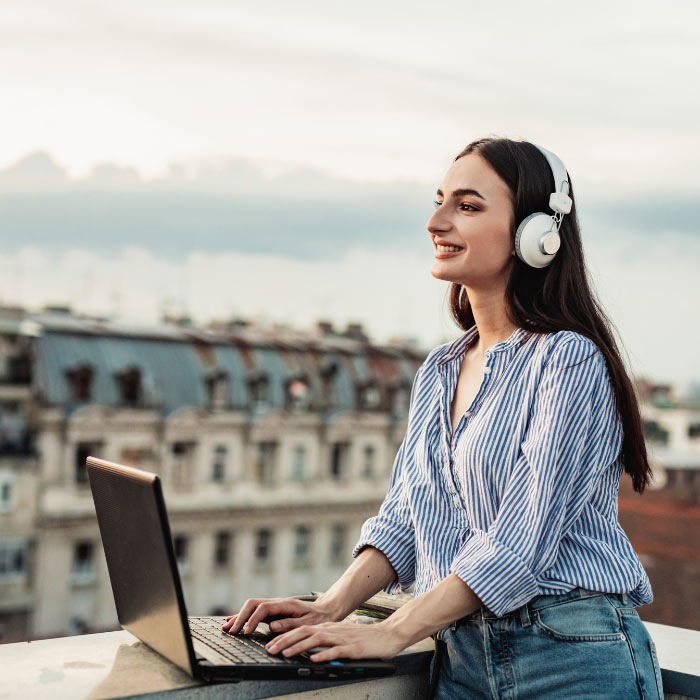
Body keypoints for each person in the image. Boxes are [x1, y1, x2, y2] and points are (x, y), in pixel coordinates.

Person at [222, 136, 664, 699]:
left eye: (468, 206)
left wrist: (391, 632)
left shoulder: (568, 361)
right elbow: (406, 520)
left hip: (569, 658)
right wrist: (328, 605)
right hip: (459, 658)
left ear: (538, 235)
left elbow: (519, 543)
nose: (437, 220)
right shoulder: (441, 369)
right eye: (439, 201)